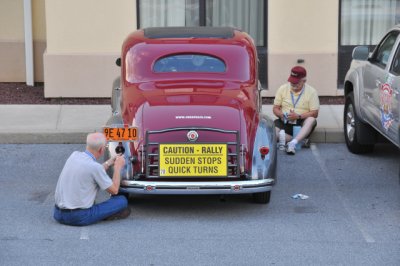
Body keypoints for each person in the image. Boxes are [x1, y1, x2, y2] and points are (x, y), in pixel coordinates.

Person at [53, 132, 129, 226]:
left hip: (57, 213)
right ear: (101, 150)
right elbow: (114, 190)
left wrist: (109, 163)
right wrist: (118, 167)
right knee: (122, 200)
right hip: (78, 216)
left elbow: (91, 170)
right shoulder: (95, 167)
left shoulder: (74, 155)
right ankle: (102, 215)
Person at [273, 66, 319, 155]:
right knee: (272, 133)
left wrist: (298, 116)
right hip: (285, 120)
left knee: (311, 120)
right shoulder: (282, 89)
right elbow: (275, 108)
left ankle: (292, 143)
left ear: (304, 81)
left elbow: (315, 113)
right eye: (292, 82)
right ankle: (299, 140)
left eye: (296, 83)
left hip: (301, 122)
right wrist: (282, 115)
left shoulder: (312, 92)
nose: (293, 85)